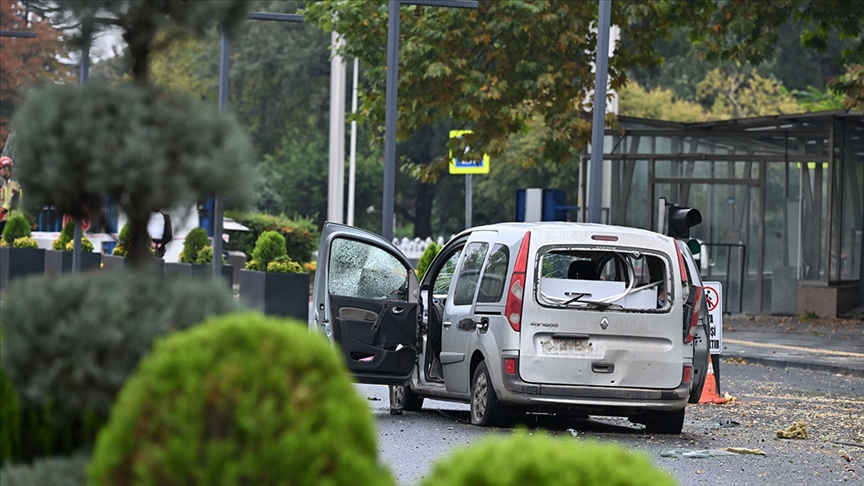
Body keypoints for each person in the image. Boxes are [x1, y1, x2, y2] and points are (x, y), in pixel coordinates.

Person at [0, 156, 22, 235]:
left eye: (0, 169)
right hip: (6, 218)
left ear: (6, 169)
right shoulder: (6, 183)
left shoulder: (13, 182)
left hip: (13, 219)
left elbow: (10, 197)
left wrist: (3, 211)